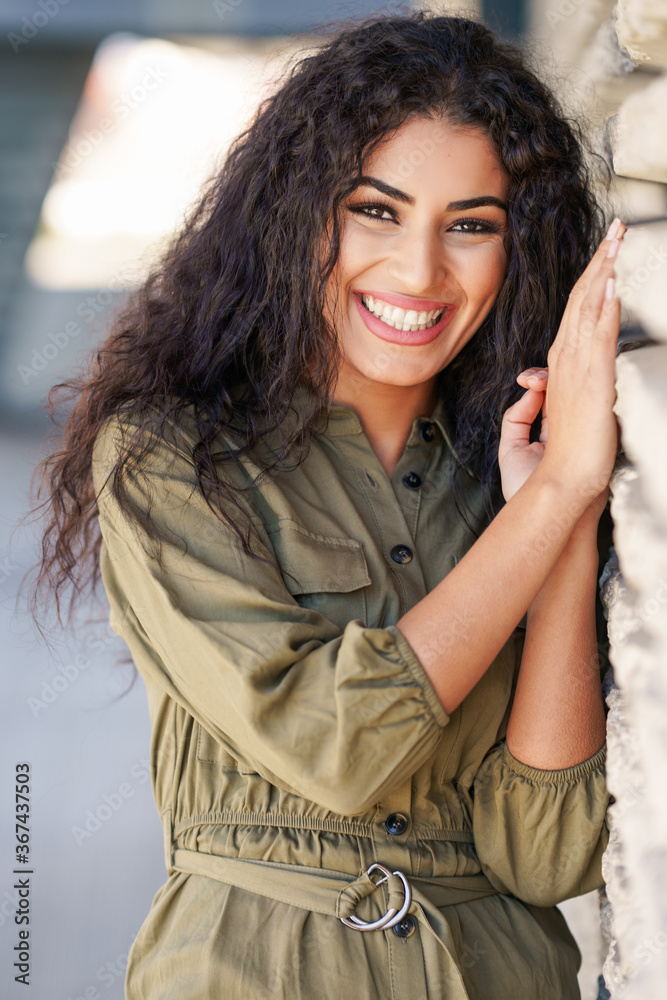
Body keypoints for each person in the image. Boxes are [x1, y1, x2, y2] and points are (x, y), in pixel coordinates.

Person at [32, 11, 623, 999]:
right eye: (376, 210)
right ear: (300, 209)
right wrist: (559, 491)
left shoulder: (508, 477)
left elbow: (546, 855)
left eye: (470, 225)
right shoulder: (170, 460)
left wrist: (556, 516)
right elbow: (334, 745)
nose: (420, 271)